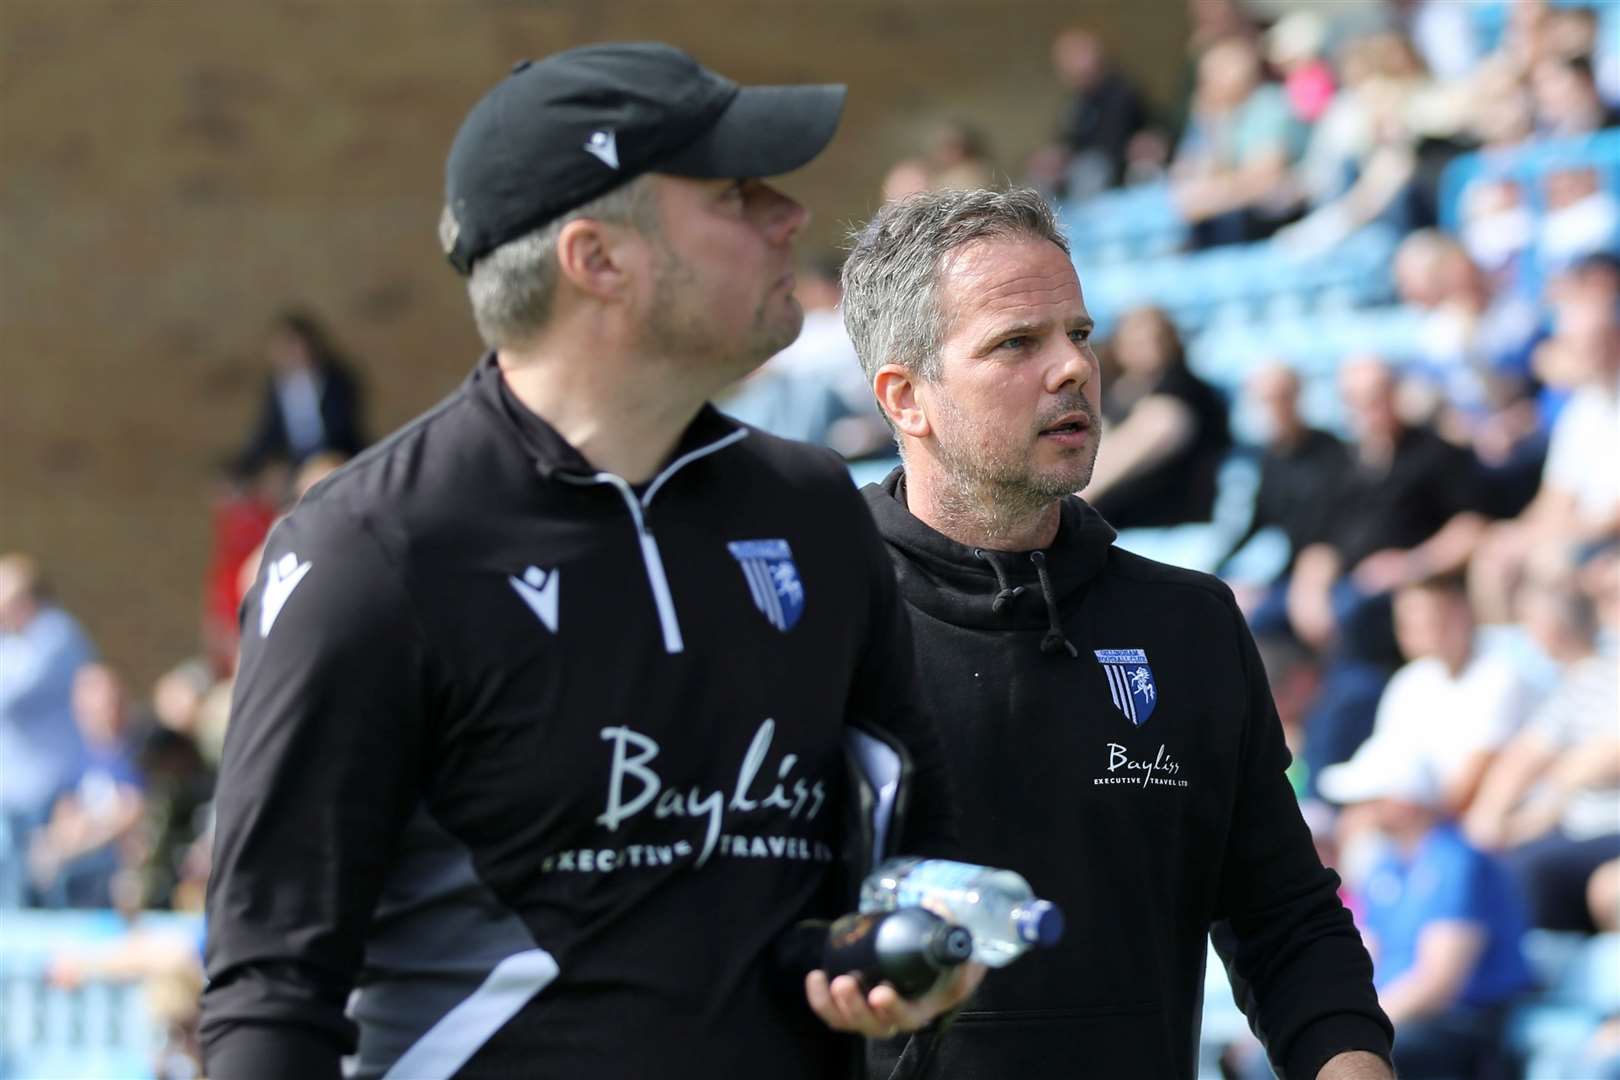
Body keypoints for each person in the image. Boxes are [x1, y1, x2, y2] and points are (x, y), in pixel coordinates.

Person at [200, 43, 974, 1080]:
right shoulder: (369, 553)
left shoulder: (816, 511)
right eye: (735, 194)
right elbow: (271, 995)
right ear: (597, 260)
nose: (788, 215)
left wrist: (899, 944)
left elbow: (908, 842)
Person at [840, 186, 1392, 1079]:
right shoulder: (808, 628)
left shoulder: (1190, 625)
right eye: (1018, 343)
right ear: (906, 398)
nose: (1073, 369)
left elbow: (1287, 920)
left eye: (1080, 334)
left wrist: (1351, 1063)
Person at [1319, 744, 1534, 1080]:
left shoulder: (1459, 862)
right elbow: (1365, 958)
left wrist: (1358, 1027)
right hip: (1405, 1019)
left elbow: (1438, 984)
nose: (1353, 812)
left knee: (1354, 1059)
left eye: (1367, 801)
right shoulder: (1386, 866)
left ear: (1402, 804)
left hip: (1462, 1025)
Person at [1080, 305, 1231, 530]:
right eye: (1135, 340)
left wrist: (1082, 495)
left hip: (1170, 517)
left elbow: (1160, 428)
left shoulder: (1183, 388)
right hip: (1117, 518)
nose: (1145, 348)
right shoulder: (1118, 389)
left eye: (1154, 339)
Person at [0, 553, 95, 906]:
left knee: (48, 900)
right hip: (14, 798)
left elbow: (11, 694)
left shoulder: (56, 633)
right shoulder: (13, 642)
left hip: (51, 795)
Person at [228, 309, 368, 477]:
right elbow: (267, 434)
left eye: (293, 345)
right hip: (296, 467)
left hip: (339, 460)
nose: (288, 353)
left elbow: (342, 428)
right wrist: (241, 468)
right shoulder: (277, 389)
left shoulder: (337, 381)